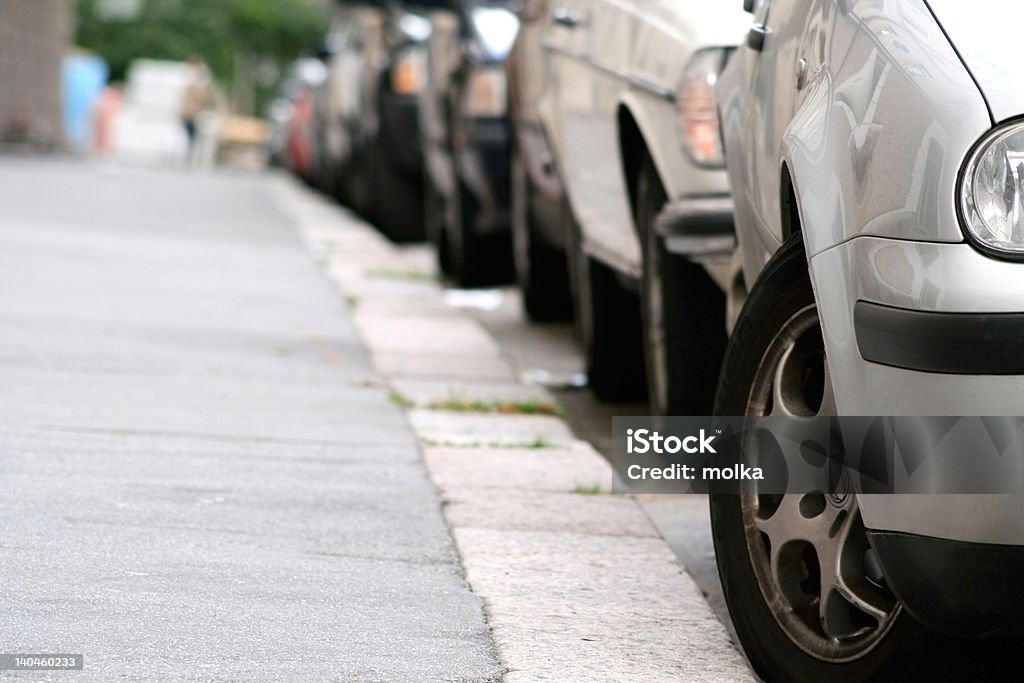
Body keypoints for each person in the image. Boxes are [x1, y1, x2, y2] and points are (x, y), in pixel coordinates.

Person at [181, 56, 212, 165]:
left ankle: (191, 158)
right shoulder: (195, 83)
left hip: (193, 113)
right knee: (191, 136)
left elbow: (200, 99)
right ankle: (191, 157)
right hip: (191, 113)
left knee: (192, 136)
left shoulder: (197, 83)